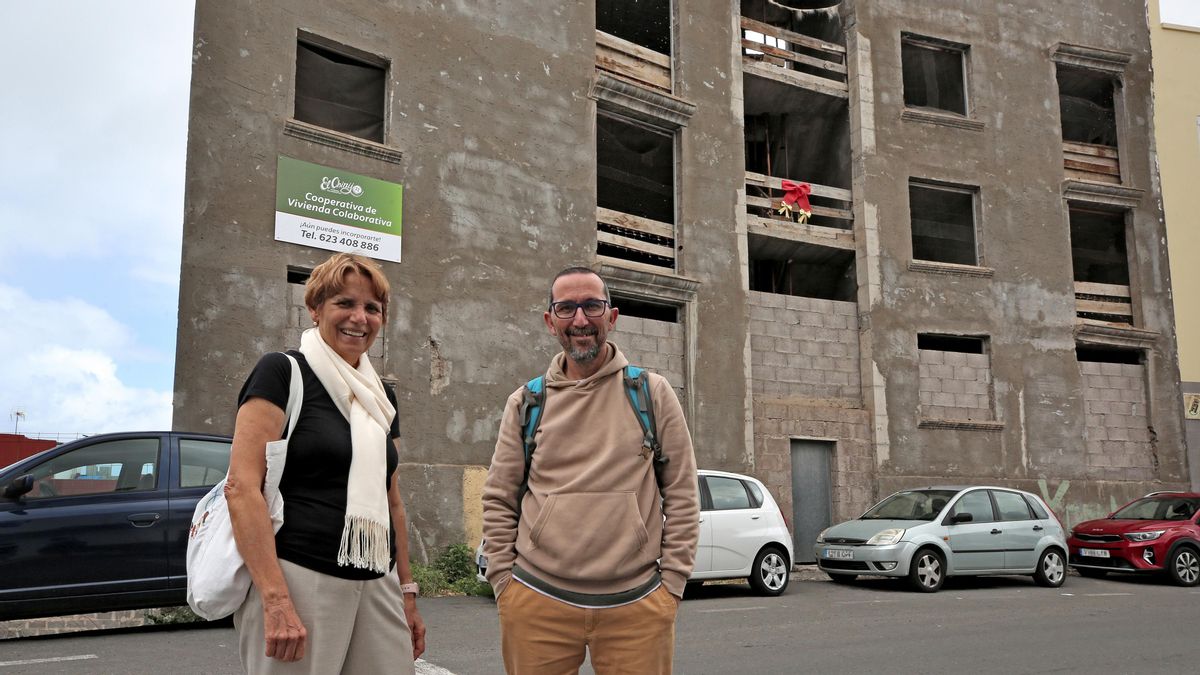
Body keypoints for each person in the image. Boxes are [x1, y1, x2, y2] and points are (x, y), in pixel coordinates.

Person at [481, 266, 700, 674]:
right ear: (550, 322)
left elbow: (684, 494)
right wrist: (503, 583)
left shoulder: (651, 393)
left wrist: (671, 586)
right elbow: (499, 497)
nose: (580, 319)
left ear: (612, 317)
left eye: (592, 306)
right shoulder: (527, 402)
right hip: (536, 601)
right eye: (566, 308)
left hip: (637, 606)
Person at [226, 252, 425, 673]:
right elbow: (241, 487)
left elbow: (393, 504)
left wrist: (406, 592)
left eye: (372, 308)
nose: (360, 317)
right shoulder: (282, 372)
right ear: (315, 309)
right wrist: (275, 599)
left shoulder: (381, 398)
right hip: (300, 576)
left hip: (377, 580)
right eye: (344, 303)